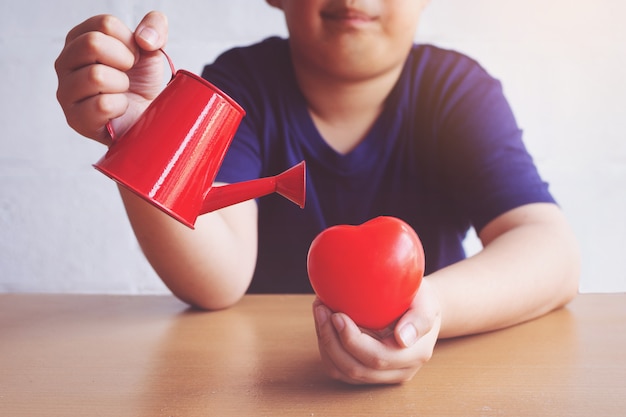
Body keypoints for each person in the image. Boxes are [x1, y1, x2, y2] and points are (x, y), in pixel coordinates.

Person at [55, 1, 580, 385]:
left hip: (441, 382)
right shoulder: (242, 84)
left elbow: (551, 252)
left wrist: (431, 309)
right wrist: (144, 143)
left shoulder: (457, 90)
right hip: (266, 383)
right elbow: (218, 278)